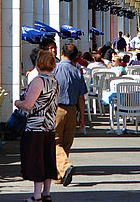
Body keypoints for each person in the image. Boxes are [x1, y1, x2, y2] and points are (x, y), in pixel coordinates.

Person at [15, 50, 59, 202]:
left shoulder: (38, 81)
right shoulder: (54, 80)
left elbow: (28, 105)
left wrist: (17, 103)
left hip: (35, 127)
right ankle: (46, 193)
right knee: (47, 160)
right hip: (49, 126)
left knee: (35, 160)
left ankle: (36, 195)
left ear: (38, 63)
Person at [52, 44, 88, 186]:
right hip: (72, 110)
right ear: (76, 58)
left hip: (57, 109)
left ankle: (65, 167)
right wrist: (82, 118)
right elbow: (81, 98)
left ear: (62, 53)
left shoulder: (54, 69)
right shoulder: (77, 72)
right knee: (66, 143)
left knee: (54, 142)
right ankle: (59, 175)